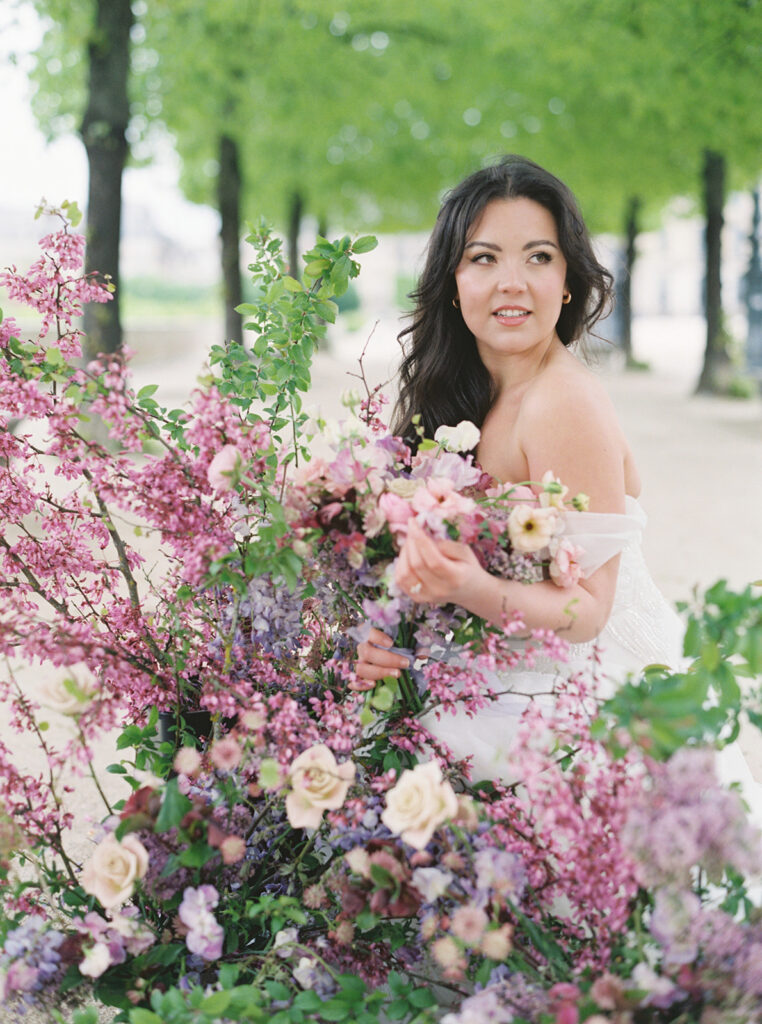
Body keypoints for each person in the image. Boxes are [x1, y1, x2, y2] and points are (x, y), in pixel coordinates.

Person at [354, 155, 687, 781]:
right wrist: (386, 640)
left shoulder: (563, 401)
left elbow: (588, 612)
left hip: (574, 704)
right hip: (485, 669)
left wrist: (464, 588)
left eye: (539, 256)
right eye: (484, 258)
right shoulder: (457, 394)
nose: (513, 281)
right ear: (453, 281)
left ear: (567, 281)